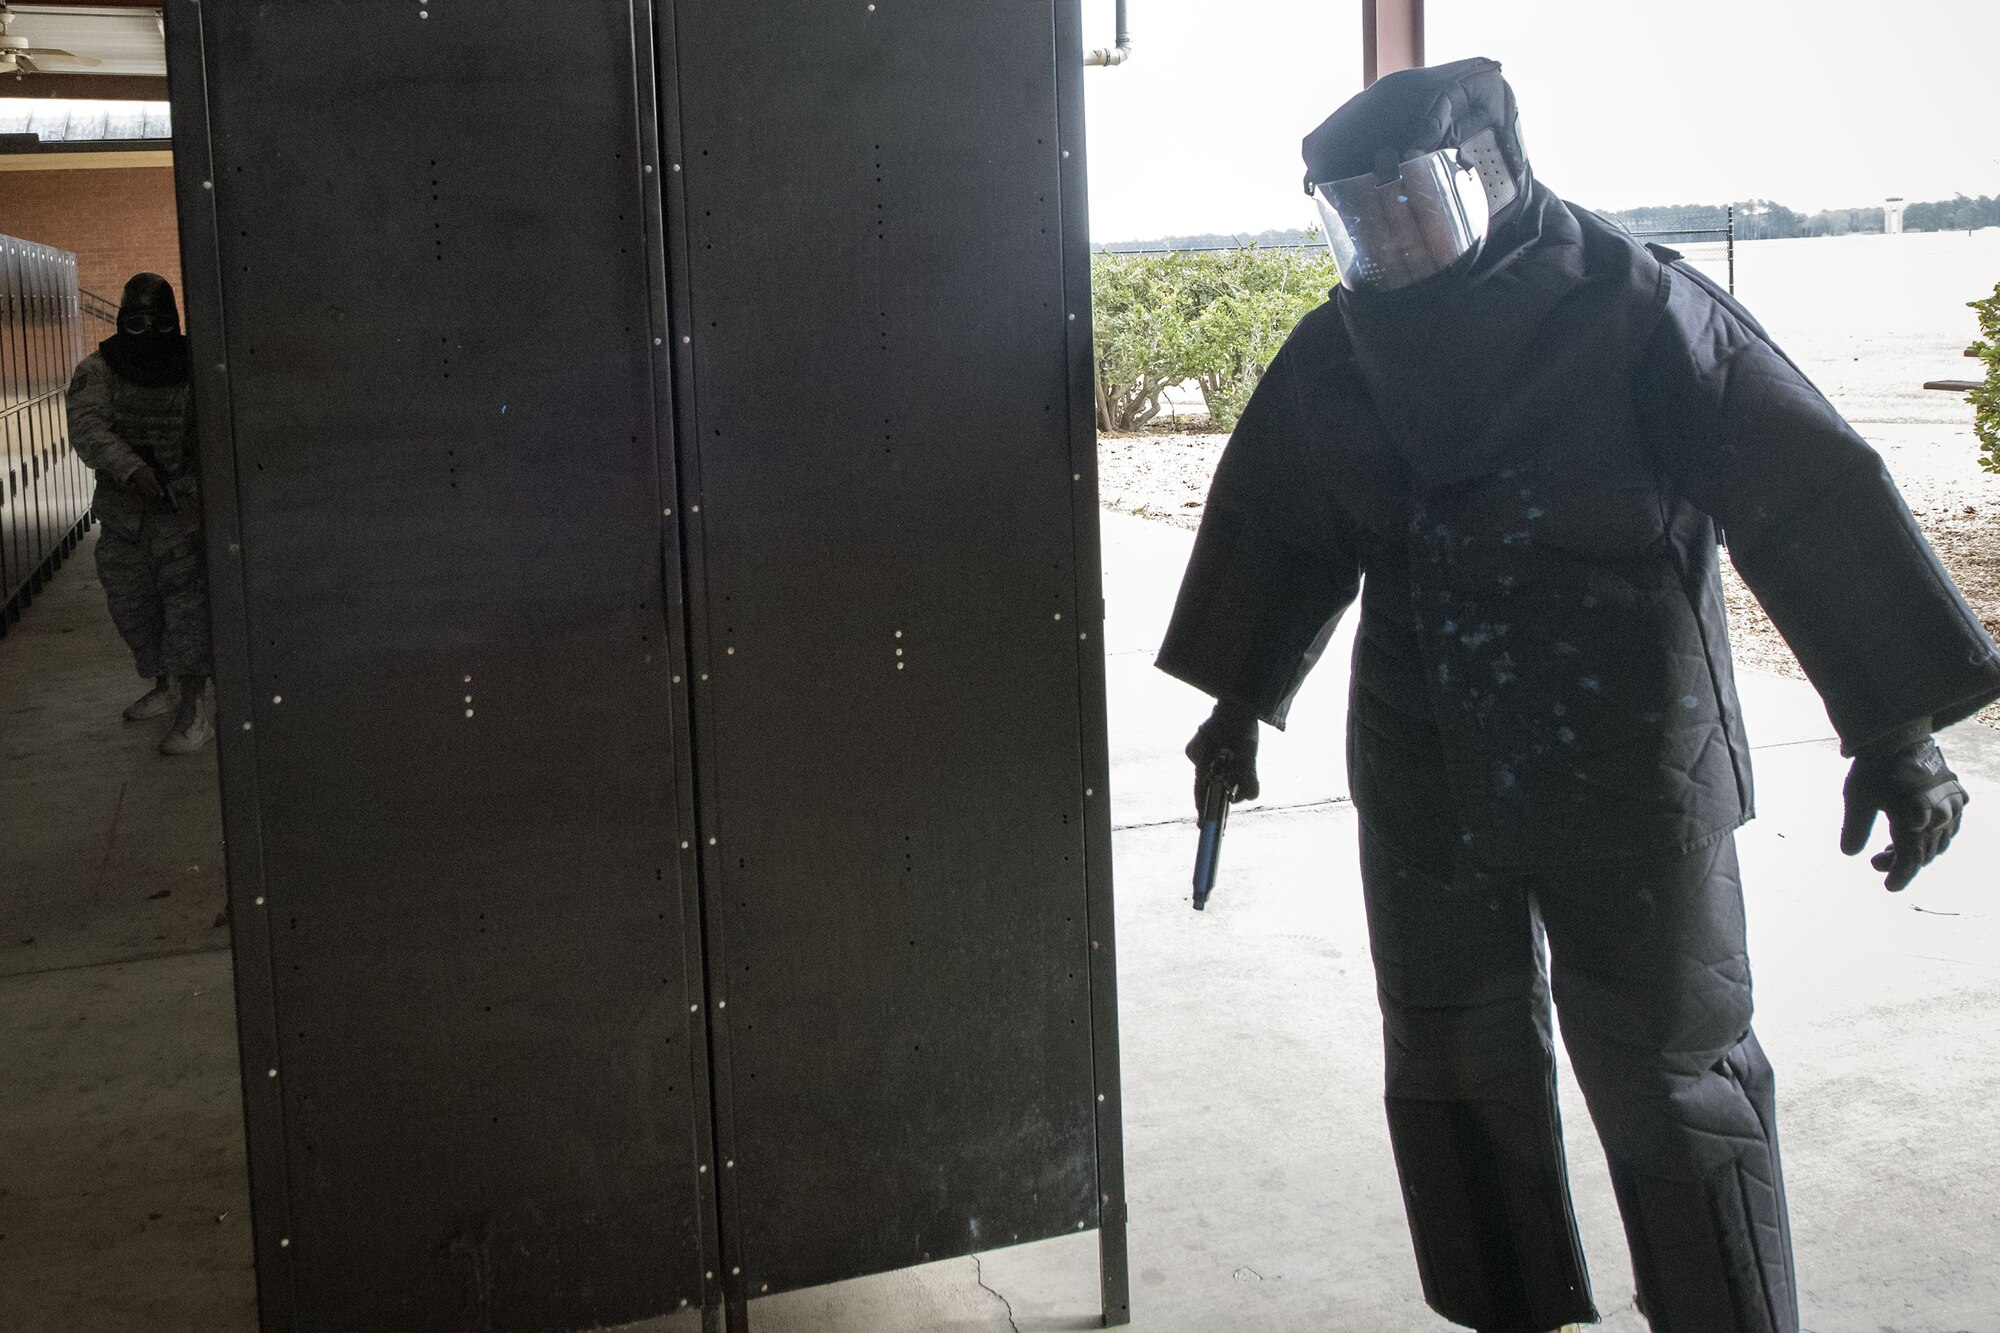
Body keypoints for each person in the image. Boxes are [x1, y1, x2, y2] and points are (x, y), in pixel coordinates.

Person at [1158, 58, 2000, 1333]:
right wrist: (1235, 702)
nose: (1390, 239)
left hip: (1630, 749)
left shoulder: (1639, 309)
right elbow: (1282, 521)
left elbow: (1805, 497)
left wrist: (1898, 734)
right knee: (1451, 1058)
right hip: (1426, 751)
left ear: (1487, 175)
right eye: (1359, 219)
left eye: (1409, 203)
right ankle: (1506, 1309)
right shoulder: (1344, 346)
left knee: (1675, 1073)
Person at [67, 272, 213, 755]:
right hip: (125, 517)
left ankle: (193, 707)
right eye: (138, 321)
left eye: (161, 321)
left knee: (189, 612)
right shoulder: (100, 369)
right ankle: (164, 685)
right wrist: (131, 469)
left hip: (182, 512)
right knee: (133, 608)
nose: (150, 332)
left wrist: (194, 490)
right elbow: (87, 428)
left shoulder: (197, 364)